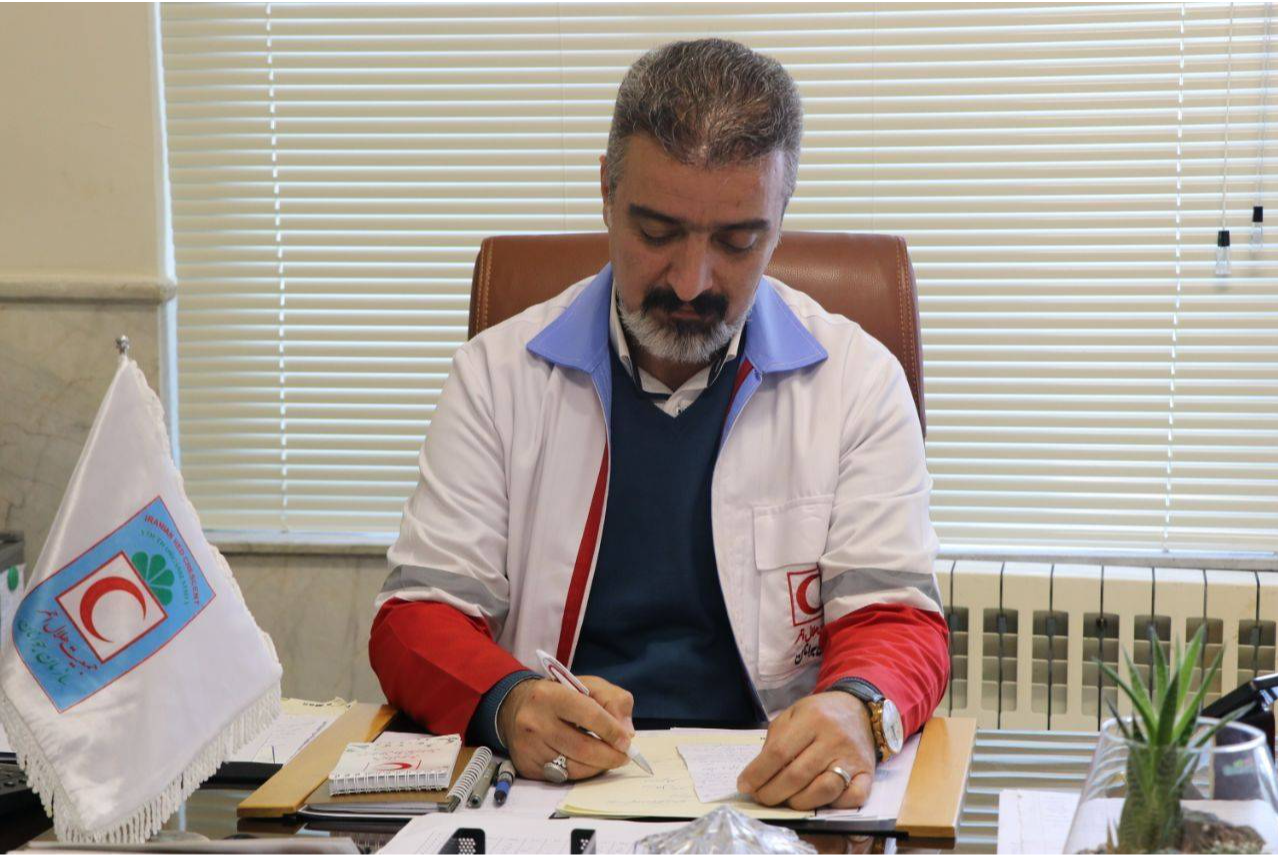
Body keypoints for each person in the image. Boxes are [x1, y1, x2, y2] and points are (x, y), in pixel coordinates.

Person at [370, 38, 949, 812]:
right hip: (554, 794)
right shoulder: (497, 376)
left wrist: (856, 708)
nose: (691, 281)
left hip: (770, 797)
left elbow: (896, 616)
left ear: (780, 219)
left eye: (737, 241)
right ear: (607, 193)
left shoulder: (856, 381)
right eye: (657, 232)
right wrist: (509, 701)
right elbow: (418, 617)